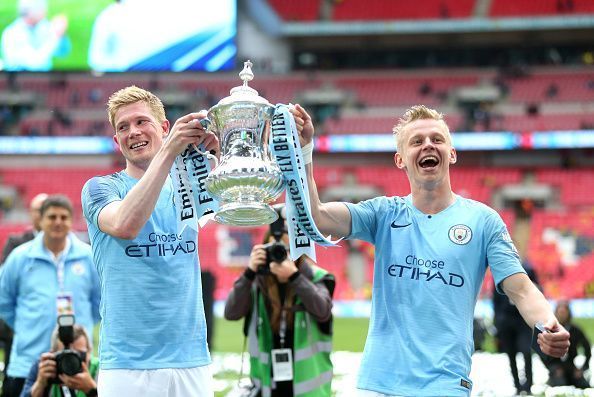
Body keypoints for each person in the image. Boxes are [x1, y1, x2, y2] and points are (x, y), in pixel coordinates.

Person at [289, 104, 571, 396]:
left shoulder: (483, 221)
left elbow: (521, 289)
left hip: (446, 384)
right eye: (417, 141)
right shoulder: (383, 213)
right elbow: (317, 215)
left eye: (437, 139)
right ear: (400, 160)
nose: (428, 145)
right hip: (381, 384)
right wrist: (306, 149)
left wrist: (548, 323)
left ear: (452, 153)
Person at [81, 85, 219, 397]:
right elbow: (125, 224)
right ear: (117, 141)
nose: (133, 132)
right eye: (123, 127)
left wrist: (223, 154)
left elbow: (250, 207)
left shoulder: (190, 186)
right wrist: (169, 152)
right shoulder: (101, 188)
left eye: (142, 122)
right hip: (128, 365)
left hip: (191, 360)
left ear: (164, 128)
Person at [224, 211, 335, 397]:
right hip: (266, 387)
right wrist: (250, 273)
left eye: (288, 249)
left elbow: (322, 311)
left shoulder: (318, 278)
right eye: (278, 249)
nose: (282, 256)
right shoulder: (257, 283)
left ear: (300, 250)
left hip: (308, 391)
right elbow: (231, 312)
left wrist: (295, 277)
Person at [0, 195, 100, 397]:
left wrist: (81, 328)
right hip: (28, 360)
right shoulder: (20, 257)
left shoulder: (88, 257)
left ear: (72, 221)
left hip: (76, 365)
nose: (58, 222)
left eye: (64, 217)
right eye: (52, 217)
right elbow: (4, 302)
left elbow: (99, 303)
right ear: (40, 220)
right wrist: (26, 325)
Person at [0, 193, 48, 394]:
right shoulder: (16, 243)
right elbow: (6, 287)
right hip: (20, 328)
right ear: (31, 214)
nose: (45, 214)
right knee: (16, 380)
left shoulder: (70, 247)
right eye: (39, 210)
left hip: (51, 327)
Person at [492, 263, 541, 395]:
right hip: (506, 321)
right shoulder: (499, 271)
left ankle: (528, 385)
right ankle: (517, 386)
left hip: (523, 319)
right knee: (511, 353)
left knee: (526, 350)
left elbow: (538, 290)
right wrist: (497, 322)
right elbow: (495, 300)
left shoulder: (528, 269)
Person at [20, 323, 99, 397]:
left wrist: (92, 390)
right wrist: (40, 384)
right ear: (53, 353)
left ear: (89, 352)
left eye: (78, 355)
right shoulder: (45, 367)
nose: (71, 361)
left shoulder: (100, 369)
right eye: (65, 355)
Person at [0, 0, 70, 71]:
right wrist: (56, 37)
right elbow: (35, 64)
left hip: (45, 79)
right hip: (20, 80)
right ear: (30, 12)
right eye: (41, 8)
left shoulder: (44, 26)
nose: (45, 12)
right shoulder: (12, 34)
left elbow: (63, 52)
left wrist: (61, 34)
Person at [544, 300, 591, 389]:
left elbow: (587, 348)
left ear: (568, 313)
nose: (562, 315)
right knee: (560, 384)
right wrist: (551, 367)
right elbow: (541, 350)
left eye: (564, 312)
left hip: (571, 365)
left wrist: (583, 368)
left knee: (584, 385)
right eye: (560, 312)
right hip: (555, 366)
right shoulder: (550, 329)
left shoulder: (575, 330)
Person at [1, 193, 48, 263]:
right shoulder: (15, 243)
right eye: (38, 210)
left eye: (46, 210)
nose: (42, 214)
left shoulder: (65, 244)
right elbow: (6, 271)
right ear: (30, 213)